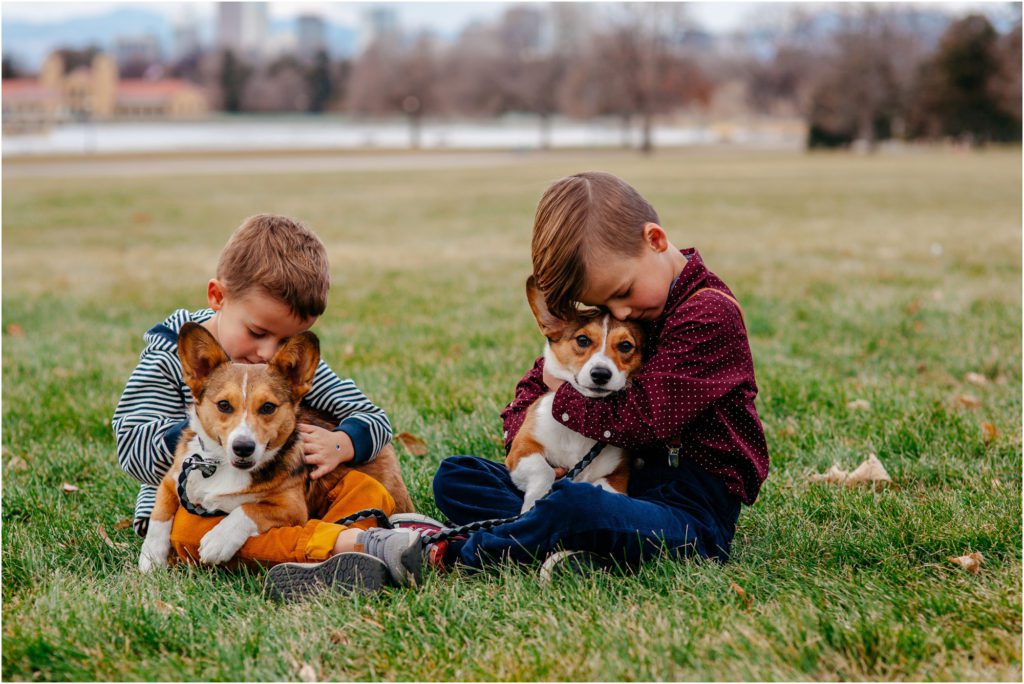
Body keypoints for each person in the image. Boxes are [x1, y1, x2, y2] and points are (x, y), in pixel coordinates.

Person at [428, 171, 770, 575]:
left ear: (656, 241)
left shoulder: (708, 314)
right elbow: (525, 399)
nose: (620, 312)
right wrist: (534, 448)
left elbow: (643, 421)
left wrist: (560, 394)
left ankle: (462, 553)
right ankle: (570, 539)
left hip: (688, 508)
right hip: (598, 484)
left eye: (623, 292)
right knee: (457, 476)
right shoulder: (625, 315)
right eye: (603, 304)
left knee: (574, 505)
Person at [112, 213, 422, 597]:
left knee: (363, 482)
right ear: (218, 297)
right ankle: (351, 548)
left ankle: (378, 539)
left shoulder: (282, 367)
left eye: (287, 341)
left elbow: (372, 418)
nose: (267, 354)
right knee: (193, 537)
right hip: (193, 510)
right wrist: (207, 440)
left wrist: (340, 444)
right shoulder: (167, 358)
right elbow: (131, 445)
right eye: (257, 333)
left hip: (284, 495)